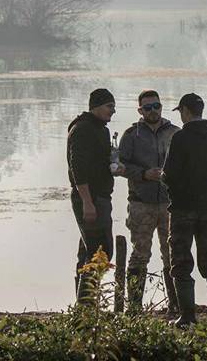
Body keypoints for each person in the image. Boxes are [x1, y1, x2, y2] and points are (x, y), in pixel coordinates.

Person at [162, 93, 207, 327]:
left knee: (181, 263)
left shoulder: (180, 138)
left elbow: (168, 175)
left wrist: (166, 179)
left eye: (181, 111)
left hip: (182, 209)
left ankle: (187, 318)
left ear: (185, 111)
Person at [119, 89, 180, 313]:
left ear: (161, 107)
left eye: (156, 106)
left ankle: (175, 305)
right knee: (140, 254)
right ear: (140, 110)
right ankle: (134, 308)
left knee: (172, 253)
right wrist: (144, 174)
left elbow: (186, 164)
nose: (153, 111)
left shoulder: (175, 132)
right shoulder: (131, 135)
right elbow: (121, 166)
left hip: (170, 203)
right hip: (140, 203)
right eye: (148, 107)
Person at [67, 88, 120, 300]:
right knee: (102, 250)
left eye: (114, 107)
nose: (113, 111)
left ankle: (84, 306)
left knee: (89, 251)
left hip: (101, 196)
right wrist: (87, 203)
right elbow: (77, 169)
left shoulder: (101, 129)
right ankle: (87, 305)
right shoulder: (82, 129)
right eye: (109, 106)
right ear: (96, 106)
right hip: (89, 198)